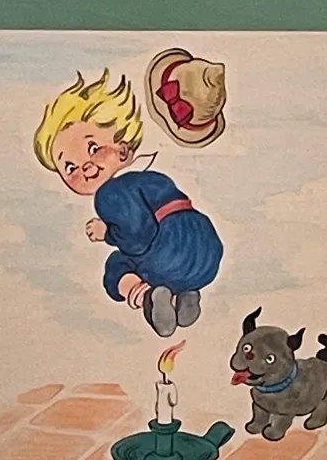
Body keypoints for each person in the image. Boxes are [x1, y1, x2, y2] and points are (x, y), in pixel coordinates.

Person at [33, 70, 223, 337]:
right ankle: (186, 296)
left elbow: (137, 238)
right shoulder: (151, 175)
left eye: (93, 149)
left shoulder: (110, 194)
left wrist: (107, 233)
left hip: (169, 255)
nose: (84, 167)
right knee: (165, 261)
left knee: (117, 264)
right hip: (206, 253)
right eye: (70, 167)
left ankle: (146, 297)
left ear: (123, 149)